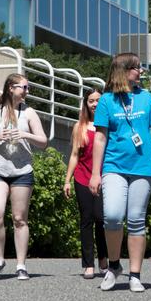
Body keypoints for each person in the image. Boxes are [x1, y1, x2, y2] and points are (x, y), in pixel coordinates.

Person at [89, 53, 151, 293]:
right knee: (113, 216)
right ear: (124, 71)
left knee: (137, 220)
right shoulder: (106, 101)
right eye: (137, 68)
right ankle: (114, 266)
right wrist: (95, 174)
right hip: (114, 166)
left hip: (142, 168)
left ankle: (135, 275)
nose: (141, 71)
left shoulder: (146, 98)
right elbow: (100, 138)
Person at [0, 73, 48, 281]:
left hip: (22, 172)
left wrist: (24, 134)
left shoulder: (29, 113)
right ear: (11, 88)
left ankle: (21, 265)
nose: (27, 91)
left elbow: (43, 141)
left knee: (19, 219)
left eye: (28, 88)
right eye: (24, 87)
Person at [63, 88, 108, 279]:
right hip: (82, 177)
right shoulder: (79, 127)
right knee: (86, 220)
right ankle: (88, 264)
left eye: (98, 100)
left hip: (104, 178)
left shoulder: (108, 125)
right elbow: (74, 155)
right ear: (86, 104)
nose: (95, 104)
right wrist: (67, 180)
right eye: (91, 101)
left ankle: (104, 260)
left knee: (102, 218)